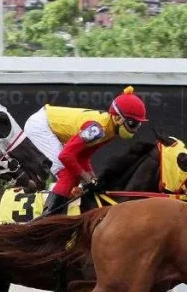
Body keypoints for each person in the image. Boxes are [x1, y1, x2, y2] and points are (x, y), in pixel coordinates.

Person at [24, 86, 148, 215]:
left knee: (74, 175)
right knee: (68, 173)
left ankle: (57, 215)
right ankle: (48, 219)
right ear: (117, 118)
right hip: (40, 126)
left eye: (138, 124)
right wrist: (88, 180)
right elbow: (65, 156)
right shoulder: (98, 129)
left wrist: (93, 178)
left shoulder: (109, 131)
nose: (136, 129)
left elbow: (83, 157)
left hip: (47, 122)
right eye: (132, 123)